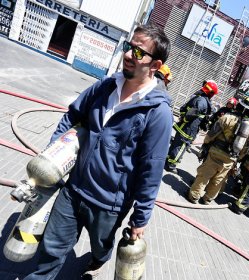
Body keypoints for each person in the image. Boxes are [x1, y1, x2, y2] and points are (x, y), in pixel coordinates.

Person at [23, 24, 173, 280]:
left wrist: (140, 217)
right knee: (51, 249)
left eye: (138, 53)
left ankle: (99, 257)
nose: (128, 55)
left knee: (101, 246)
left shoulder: (158, 113)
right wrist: (52, 159)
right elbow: (72, 116)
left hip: (109, 205)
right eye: (129, 47)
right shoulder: (105, 86)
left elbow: (152, 169)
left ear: (156, 65)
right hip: (73, 189)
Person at [188, 96, 249, 204]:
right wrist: (239, 157)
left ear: (239, 106)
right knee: (219, 179)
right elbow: (248, 146)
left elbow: (212, 133)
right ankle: (208, 198)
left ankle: (194, 196)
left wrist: (206, 144)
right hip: (231, 157)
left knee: (205, 174)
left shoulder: (227, 117)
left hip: (216, 151)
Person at [165, 80, 218, 174]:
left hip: (184, 128)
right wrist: (185, 120)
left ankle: (168, 160)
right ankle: (171, 165)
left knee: (176, 145)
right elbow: (191, 114)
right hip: (188, 130)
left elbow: (183, 108)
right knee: (181, 147)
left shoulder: (199, 98)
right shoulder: (202, 101)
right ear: (210, 93)